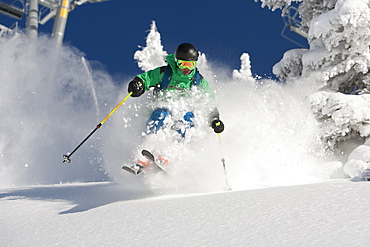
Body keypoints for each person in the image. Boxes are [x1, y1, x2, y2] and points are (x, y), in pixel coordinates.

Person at [125, 43, 224, 174]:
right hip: (163, 106)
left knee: (187, 122)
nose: (186, 69)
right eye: (183, 64)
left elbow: (208, 102)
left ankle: (166, 156)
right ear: (176, 61)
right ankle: (144, 155)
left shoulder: (199, 81)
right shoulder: (165, 73)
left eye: (190, 65)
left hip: (185, 111)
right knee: (162, 116)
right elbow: (147, 79)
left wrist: (215, 119)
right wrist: (138, 84)